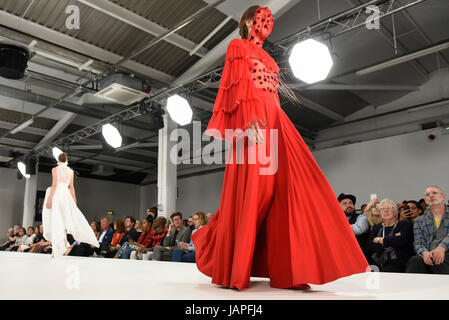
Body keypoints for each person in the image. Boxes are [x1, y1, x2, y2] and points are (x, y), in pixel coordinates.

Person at [191, 6, 369, 291]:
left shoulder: (268, 58)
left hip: (276, 123)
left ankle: (288, 270)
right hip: (254, 124)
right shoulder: (238, 46)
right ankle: (231, 263)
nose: (267, 21)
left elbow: (270, 96)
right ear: (248, 20)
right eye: (262, 16)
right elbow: (233, 85)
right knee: (256, 193)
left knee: (292, 187)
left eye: (270, 18)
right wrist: (247, 121)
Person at [42, 152, 99, 257]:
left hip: (57, 195)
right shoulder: (71, 171)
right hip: (66, 196)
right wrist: (74, 202)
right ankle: (62, 245)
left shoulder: (55, 169)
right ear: (67, 160)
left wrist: (49, 199)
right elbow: (72, 187)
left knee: (57, 220)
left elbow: (54, 185)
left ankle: (57, 249)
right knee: (63, 220)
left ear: (58, 160)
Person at [406, 186, 449, 274]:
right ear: (425, 200)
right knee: (414, 261)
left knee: (438, 261)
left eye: (434, 193)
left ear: (443, 197)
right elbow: (418, 243)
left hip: (446, 253)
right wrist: (425, 253)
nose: (431, 196)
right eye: (427, 194)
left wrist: (441, 248)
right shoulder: (419, 220)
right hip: (428, 255)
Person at [365, 199, 414, 272]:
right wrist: (391, 242)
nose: (386, 210)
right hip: (377, 261)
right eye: (382, 209)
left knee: (389, 270)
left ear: (395, 212)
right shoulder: (377, 227)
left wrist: (379, 240)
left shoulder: (405, 225)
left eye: (389, 208)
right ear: (380, 213)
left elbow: (402, 241)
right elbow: (369, 246)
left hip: (397, 262)